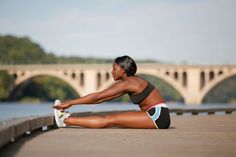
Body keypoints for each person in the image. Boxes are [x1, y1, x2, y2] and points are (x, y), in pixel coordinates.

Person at [53, 55, 171, 129]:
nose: (111, 71)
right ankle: (67, 120)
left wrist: (71, 102)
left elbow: (97, 97)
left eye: (114, 68)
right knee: (111, 118)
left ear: (123, 70)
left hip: (157, 116)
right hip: (157, 114)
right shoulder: (129, 82)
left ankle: (66, 120)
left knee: (109, 119)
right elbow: (101, 98)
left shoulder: (130, 83)